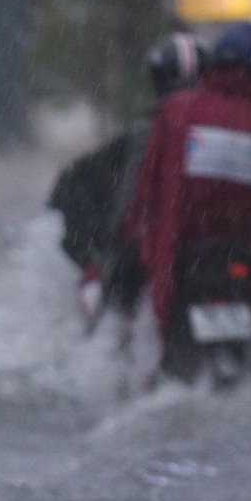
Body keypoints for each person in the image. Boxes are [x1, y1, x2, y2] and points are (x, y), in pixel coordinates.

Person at [121, 21, 251, 382]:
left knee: (155, 354)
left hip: (185, 256)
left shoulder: (176, 112)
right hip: (246, 260)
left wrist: (140, 237)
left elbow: (148, 190)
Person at [49, 33, 208, 332]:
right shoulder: (241, 128)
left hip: (157, 253)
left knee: (109, 324)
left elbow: (75, 185)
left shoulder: (141, 136)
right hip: (204, 252)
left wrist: (95, 252)